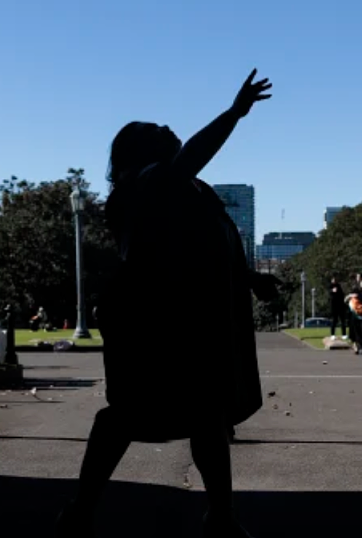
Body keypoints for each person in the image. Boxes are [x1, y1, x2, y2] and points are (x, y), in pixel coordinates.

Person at [55, 69, 272, 538]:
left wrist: (251, 278)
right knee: (129, 414)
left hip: (185, 316)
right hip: (152, 318)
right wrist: (234, 113)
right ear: (142, 150)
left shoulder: (183, 188)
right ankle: (82, 507)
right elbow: (185, 168)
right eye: (159, 131)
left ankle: (219, 516)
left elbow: (201, 245)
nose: (170, 130)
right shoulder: (147, 182)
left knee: (205, 415)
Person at [328, 276, 348, 340]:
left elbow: (342, 294)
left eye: (336, 280)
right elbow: (330, 293)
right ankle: (332, 334)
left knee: (342, 321)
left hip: (341, 306)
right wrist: (332, 291)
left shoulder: (339, 286)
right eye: (333, 280)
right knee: (334, 321)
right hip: (334, 307)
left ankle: (344, 334)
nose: (335, 281)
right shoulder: (330, 286)